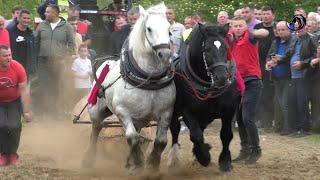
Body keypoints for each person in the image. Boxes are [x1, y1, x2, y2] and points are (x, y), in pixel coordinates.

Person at [229, 16, 269, 164]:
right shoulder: (232, 41)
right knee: (239, 119)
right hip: (237, 84)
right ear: (232, 28)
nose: (238, 28)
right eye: (236, 26)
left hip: (252, 82)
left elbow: (264, 33)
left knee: (247, 118)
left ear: (245, 27)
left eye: (241, 25)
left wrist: (255, 32)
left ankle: (256, 149)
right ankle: (245, 150)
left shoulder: (250, 36)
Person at [34, 4, 75, 116]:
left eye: (48, 12)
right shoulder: (42, 25)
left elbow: (72, 47)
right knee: (44, 85)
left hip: (58, 62)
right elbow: (35, 42)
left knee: (57, 86)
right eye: (45, 12)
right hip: (42, 60)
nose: (45, 14)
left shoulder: (67, 27)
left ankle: (57, 112)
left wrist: (64, 59)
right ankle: (44, 112)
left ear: (56, 13)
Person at [265, 21, 299, 135]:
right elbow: (269, 55)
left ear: (289, 29)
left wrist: (277, 60)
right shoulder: (276, 41)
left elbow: (289, 54)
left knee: (286, 103)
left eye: (282, 29)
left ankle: (288, 128)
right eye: (278, 30)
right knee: (279, 102)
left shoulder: (293, 40)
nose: (280, 32)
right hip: (276, 77)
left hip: (288, 77)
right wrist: (268, 62)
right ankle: (280, 126)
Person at [0, 45, 32, 166]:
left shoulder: (17, 67)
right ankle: (3, 154)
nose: (8, 58)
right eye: (5, 56)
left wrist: (26, 111)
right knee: (1, 125)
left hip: (14, 101)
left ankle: (13, 154)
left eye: (10, 55)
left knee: (14, 126)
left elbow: (24, 91)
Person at [254, 6, 276, 131]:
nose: (265, 16)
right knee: (260, 93)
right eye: (263, 14)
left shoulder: (276, 28)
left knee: (269, 94)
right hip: (258, 64)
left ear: (273, 15)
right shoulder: (257, 28)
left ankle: (268, 121)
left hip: (272, 64)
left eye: (267, 14)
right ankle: (260, 120)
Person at [7, 9, 36, 78]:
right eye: (24, 18)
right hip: (12, 66)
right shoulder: (10, 31)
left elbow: (33, 52)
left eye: (28, 18)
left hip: (26, 69)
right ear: (19, 18)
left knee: (24, 87)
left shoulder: (31, 34)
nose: (26, 20)